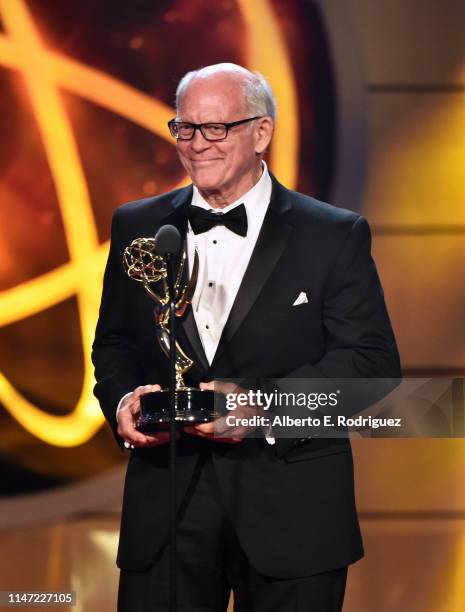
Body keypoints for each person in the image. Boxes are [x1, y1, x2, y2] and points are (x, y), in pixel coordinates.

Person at [92, 63, 401, 612]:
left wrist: (262, 407)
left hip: (293, 514)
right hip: (166, 508)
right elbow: (113, 344)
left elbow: (371, 366)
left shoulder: (332, 233)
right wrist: (121, 403)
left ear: (262, 132)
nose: (196, 145)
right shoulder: (135, 226)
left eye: (216, 128)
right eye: (184, 128)